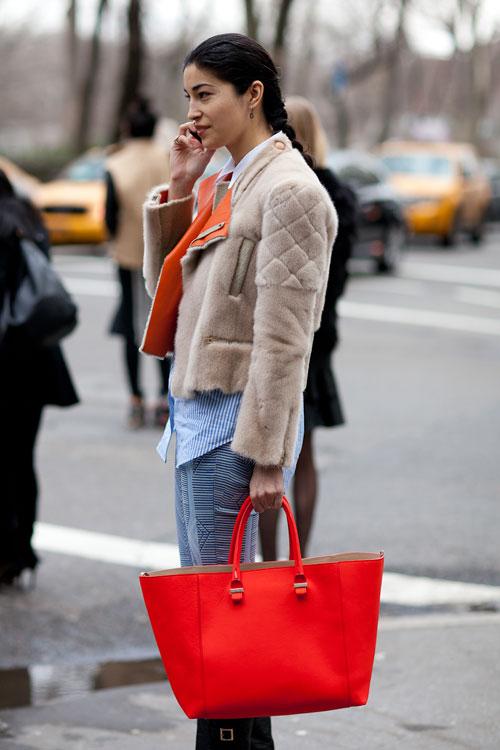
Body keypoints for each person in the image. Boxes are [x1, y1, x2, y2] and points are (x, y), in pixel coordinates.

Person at [141, 34, 337, 749]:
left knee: (222, 623)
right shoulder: (233, 179)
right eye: (187, 96)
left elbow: (288, 343)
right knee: (222, 625)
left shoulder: (289, 191)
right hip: (198, 420)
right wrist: (184, 188)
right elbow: (173, 301)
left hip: (233, 429)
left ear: (252, 93)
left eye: (204, 95)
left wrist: (266, 456)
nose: (191, 113)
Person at [259, 96, 358, 560]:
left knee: (266, 452)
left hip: (283, 336)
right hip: (320, 337)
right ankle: (303, 557)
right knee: (306, 453)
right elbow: (338, 279)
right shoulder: (336, 192)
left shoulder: (280, 185)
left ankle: (271, 561)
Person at [0, 170, 79, 587]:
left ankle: (7, 551)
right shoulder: (28, 217)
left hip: (6, 362)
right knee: (22, 460)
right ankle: (22, 548)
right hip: (36, 360)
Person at [105, 96, 171, 429]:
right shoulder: (168, 159)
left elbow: (109, 217)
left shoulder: (116, 164)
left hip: (129, 255)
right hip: (166, 255)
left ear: (127, 127)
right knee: (162, 324)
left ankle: (135, 398)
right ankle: (163, 397)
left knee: (132, 326)